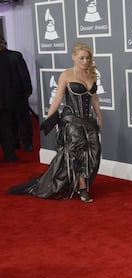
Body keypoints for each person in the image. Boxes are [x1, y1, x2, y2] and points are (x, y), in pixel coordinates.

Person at [8, 42, 102, 203]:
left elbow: (94, 98)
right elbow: (58, 98)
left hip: (88, 120)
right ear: (74, 57)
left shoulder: (91, 75)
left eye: (87, 58)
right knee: (79, 153)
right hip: (72, 121)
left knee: (94, 153)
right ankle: (82, 189)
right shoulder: (66, 75)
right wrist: (49, 118)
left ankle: (81, 181)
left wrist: (99, 116)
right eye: (82, 58)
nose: (85, 61)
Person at [0, 35, 34, 152]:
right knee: (10, 121)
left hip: (18, 94)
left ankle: (27, 143)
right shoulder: (15, 55)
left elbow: (24, 73)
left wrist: (28, 89)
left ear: (4, 43)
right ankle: (17, 143)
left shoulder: (15, 56)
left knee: (22, 119)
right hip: (7, 97)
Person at [0, 36, 18, 161]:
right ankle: (9, 155)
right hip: (6, 100)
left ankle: (9, 154)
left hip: (5, 100)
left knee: (6, 128)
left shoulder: (6, 58)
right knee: (6, 128)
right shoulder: (6, 58)